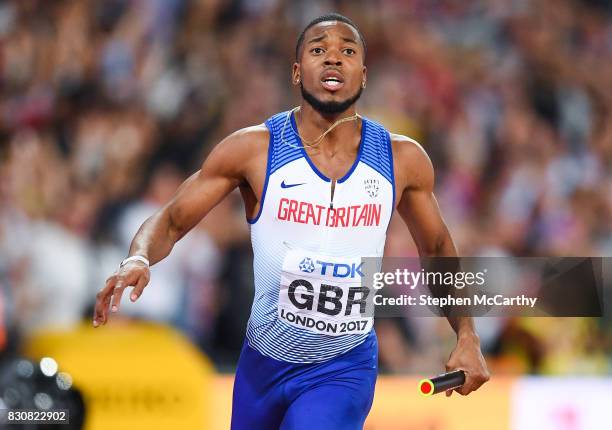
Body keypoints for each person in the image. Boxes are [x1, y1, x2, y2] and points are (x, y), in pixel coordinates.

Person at [93, 13, 489, 430]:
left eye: (347, 52)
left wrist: (467, 334)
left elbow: (438, 249)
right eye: (319, 50)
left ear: (364, 74)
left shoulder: (402, 159)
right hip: (261, 366)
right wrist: (136, 259)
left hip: (343, 367)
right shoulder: (253, 150)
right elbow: (170, 221)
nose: (334, 59)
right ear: (298, 72)